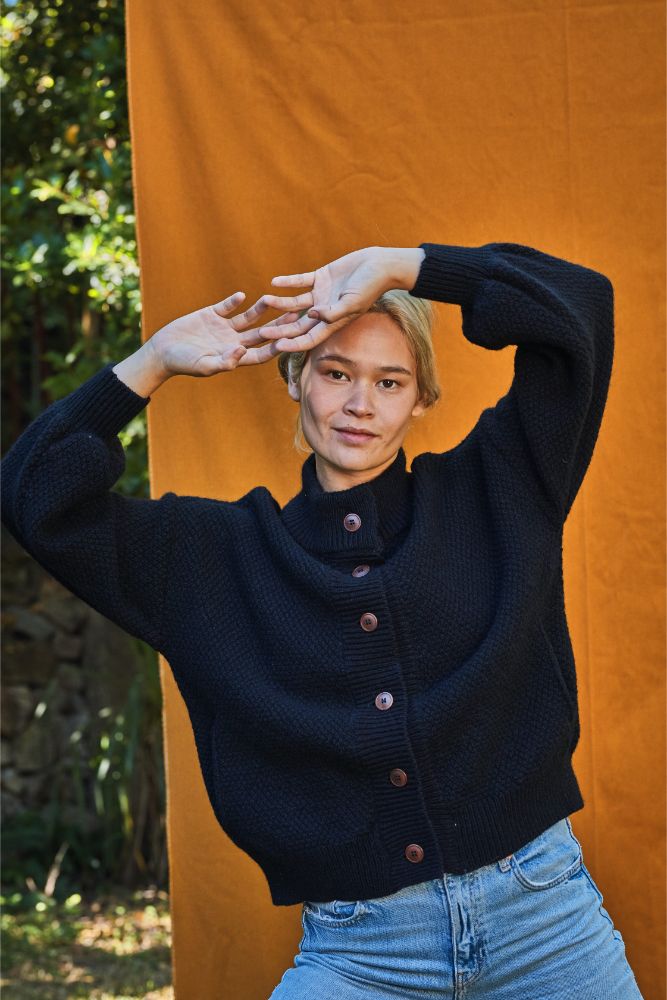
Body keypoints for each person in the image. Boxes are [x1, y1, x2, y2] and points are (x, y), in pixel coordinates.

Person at [0, 242, 644, 998]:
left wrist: (407, 265)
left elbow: (577, 309)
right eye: (336, 373)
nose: (360, 404)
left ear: (420, 399)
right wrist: (151, 363)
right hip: (361, 952)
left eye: (389, 381)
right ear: (295, 378)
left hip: (546, 921)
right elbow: (35, 496)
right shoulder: (210, 559)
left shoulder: (499, 488)